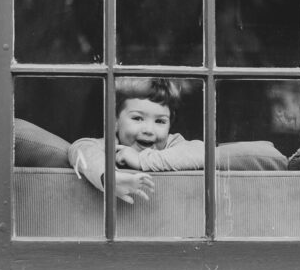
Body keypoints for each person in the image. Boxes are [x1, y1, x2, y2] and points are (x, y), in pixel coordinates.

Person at [68, 78, 204, 204]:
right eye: (137, 118)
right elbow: (80, 149)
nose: (149, 130)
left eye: (160, 121)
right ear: (115, 120)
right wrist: (110, 178)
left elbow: (202, 152)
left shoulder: (171, 143)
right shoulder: (111, 146)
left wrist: (141, 160)